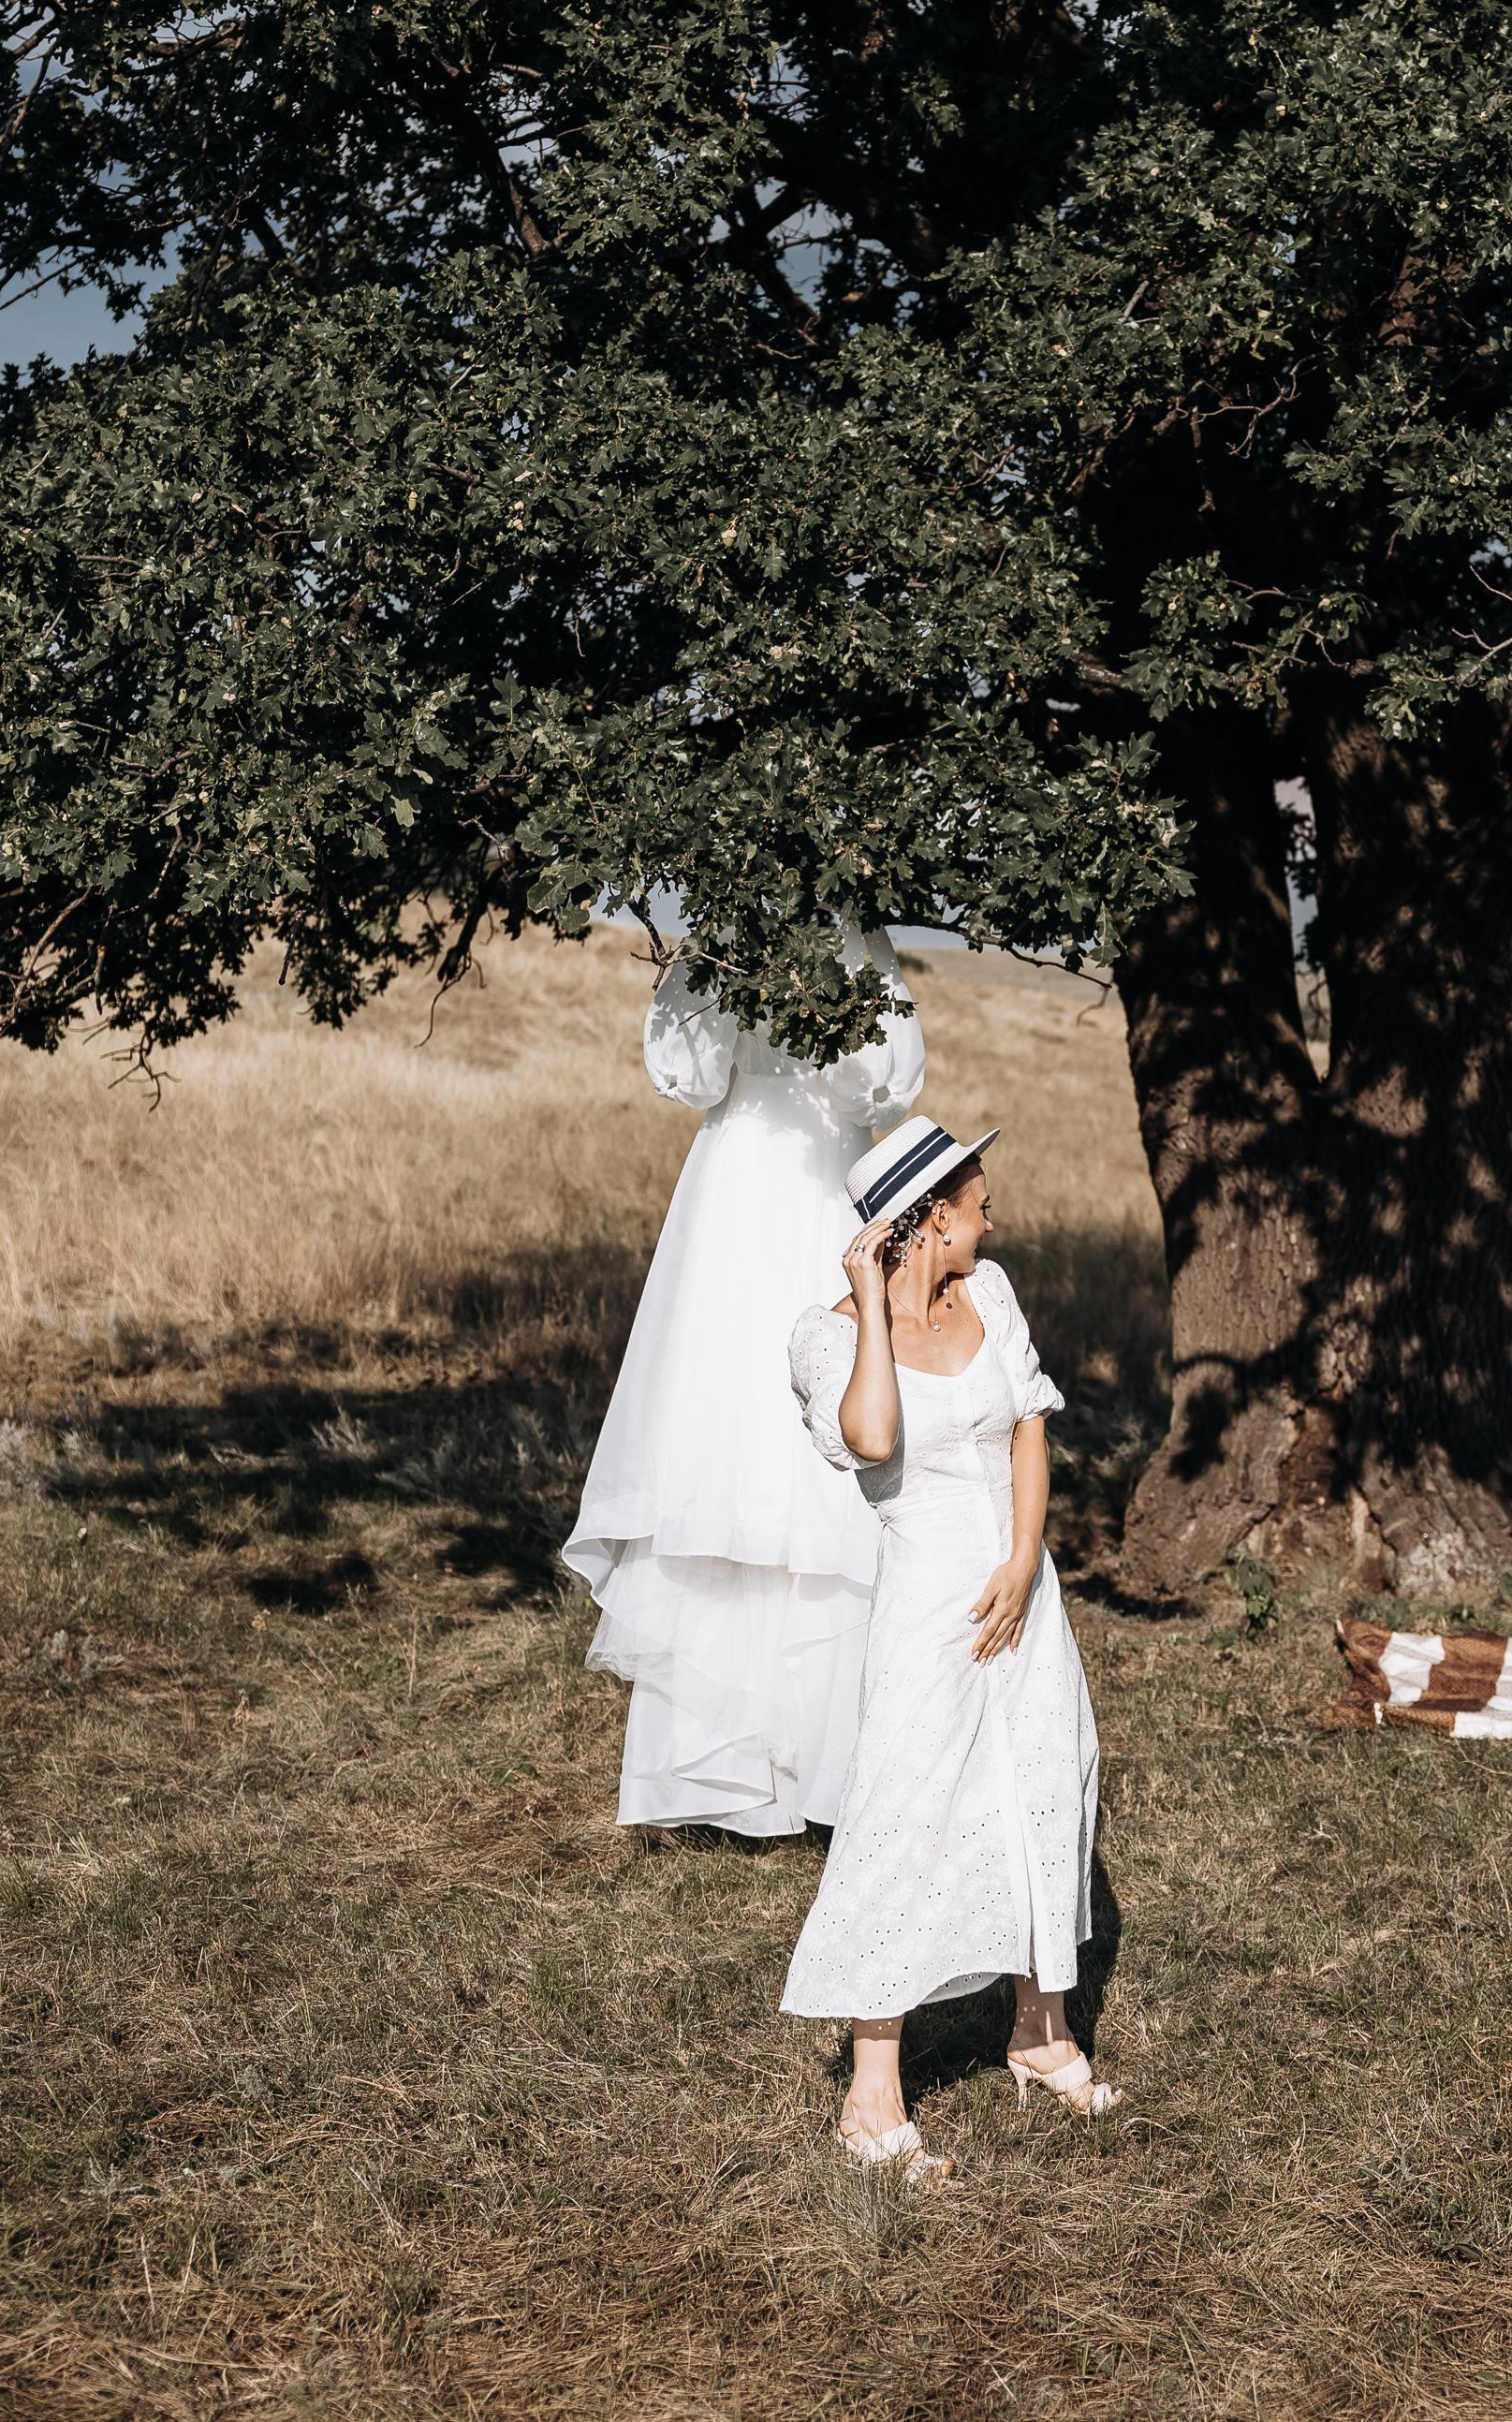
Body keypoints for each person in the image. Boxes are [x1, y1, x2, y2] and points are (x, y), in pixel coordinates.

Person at [781, 1115, 1117, 2183]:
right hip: (930, 1601)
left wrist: (1025, 1557)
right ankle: (870, 2097)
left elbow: (1025, 1420)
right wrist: (876, 1301)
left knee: (1042, 1778)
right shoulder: (825, 1336)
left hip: (1021, 1587)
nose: (991, 1214)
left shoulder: (994, 1292)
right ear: (928, 1217)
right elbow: (872, 1438)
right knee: (904, 1809)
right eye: (976, 1199)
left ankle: (1039, 2029)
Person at [561, 927, 924, 1836]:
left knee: (818, 1462)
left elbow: (882, 1076)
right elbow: (686, 1069)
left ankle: (827, 1762)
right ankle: (715, 1767)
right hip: (736, 1188)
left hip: (818, 1181)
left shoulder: (850, 931)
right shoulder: (724, 927)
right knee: (720, 1439)